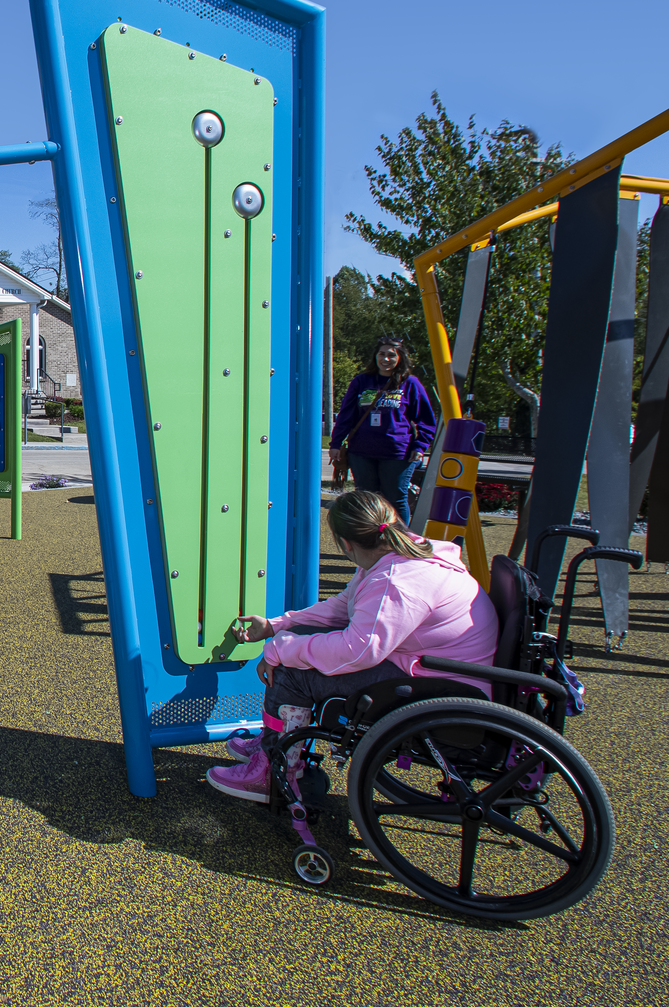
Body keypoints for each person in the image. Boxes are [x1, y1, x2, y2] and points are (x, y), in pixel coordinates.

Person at [206, 490, 498, 803]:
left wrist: (279, 649)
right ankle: (278, 741)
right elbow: (343, 608)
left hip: (446, 694)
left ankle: (274, 773)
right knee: (298, 641)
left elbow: (358, 651)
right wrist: (279, 626)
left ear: (345, 544)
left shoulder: (397, 582)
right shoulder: (406, 551)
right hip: (438, 672)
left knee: (293, 670)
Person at [328, 335, 436, 523]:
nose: (385, 359)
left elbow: (427, 421)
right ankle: (370, 545)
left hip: (397, 453)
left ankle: (401, 546)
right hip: (362, 452)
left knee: (395, 499)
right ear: (375, 356)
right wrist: (336, 443)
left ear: (400, 358)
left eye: (391, 355)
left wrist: (420, 446)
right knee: (367, 501)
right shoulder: (361, 382)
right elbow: (346, 415)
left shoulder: (410, 383)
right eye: (381, 354)